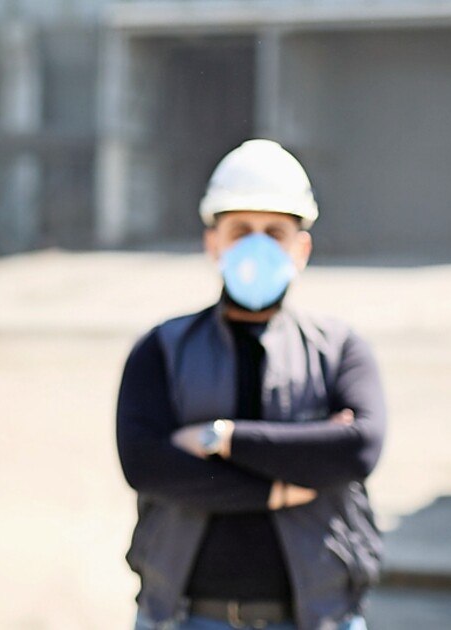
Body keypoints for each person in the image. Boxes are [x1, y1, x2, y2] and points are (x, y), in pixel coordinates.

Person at [116, 139, 385, 630]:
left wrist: (222, 439)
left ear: (300, 248)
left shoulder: (340, 349)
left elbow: (357, 449)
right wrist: (282, 485)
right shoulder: (160, 349)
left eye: (274, 231)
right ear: (212, 242)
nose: (257, 245)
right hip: (183, 616)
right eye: (241, 230)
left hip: (318, 616)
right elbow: (145, 463)